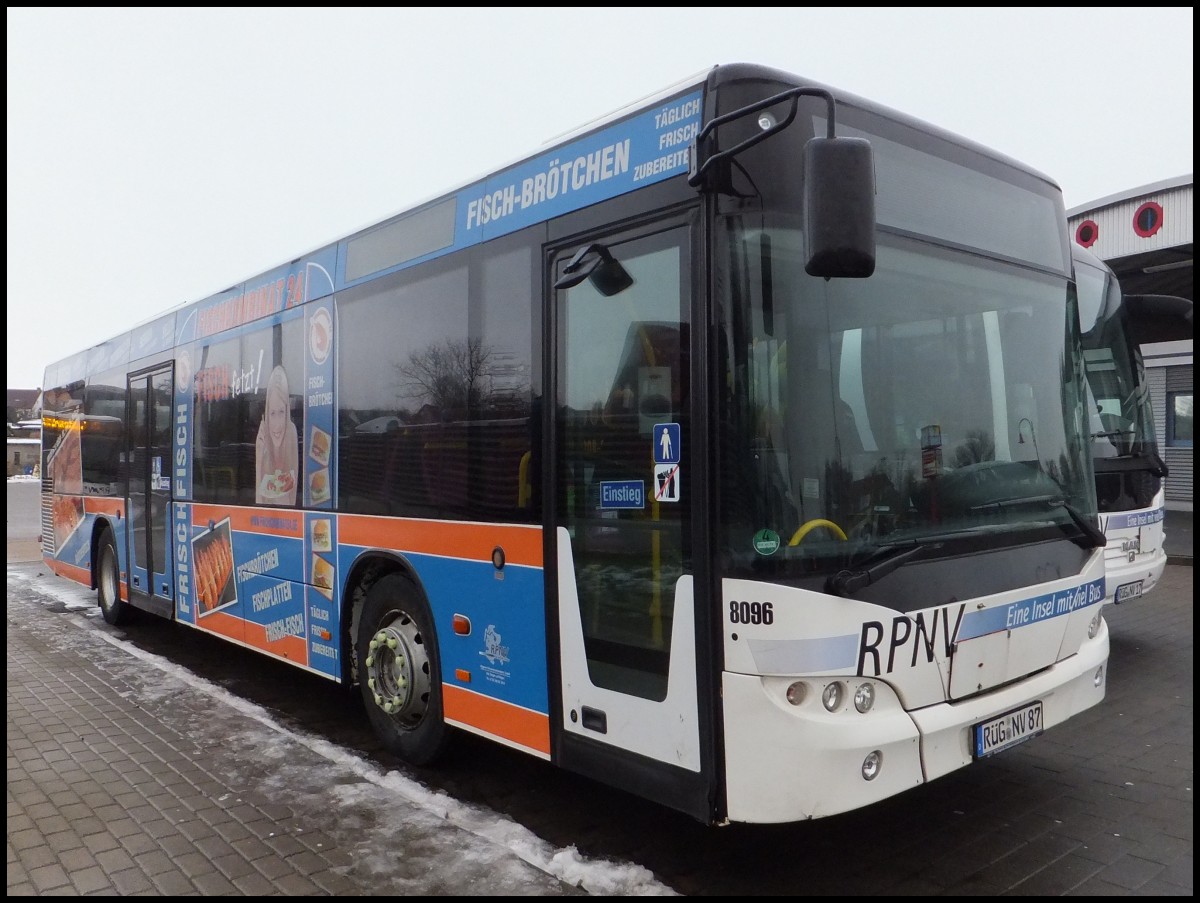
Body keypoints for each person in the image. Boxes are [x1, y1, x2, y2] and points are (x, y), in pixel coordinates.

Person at [255, 365, 299, 504]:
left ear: (287, 412)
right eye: (272, 413)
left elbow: (293, 499)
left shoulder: (291, 431)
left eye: (281, 412)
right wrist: (259, 459)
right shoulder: (262, 439)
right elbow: (258, 504)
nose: (277, 424)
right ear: (266, 415)